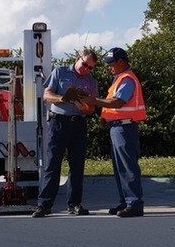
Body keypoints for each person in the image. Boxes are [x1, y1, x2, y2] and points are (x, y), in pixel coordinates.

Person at [31, 50, 99, 217]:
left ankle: (74, 204)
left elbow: (92, 108)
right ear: (78, 59)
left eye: (90, 68)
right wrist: (63, 98)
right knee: (52, 164)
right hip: (58, 122)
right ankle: (44, 205)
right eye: (84, 64)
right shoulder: (60, 72)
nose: (86, 69)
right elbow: (47, 95)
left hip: (78, 124)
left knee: (77, 166)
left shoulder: (91, 81)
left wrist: (84, 108)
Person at [95, 47, 146, 217]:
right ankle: (126, 202)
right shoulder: (119, 78)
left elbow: (117, 102)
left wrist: (93, 100)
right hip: (118, 127)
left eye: (111, 63)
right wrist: (106, 118)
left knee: (127, 166)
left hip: (124, 128)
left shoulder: (126, 79)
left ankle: (134, 204)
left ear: (122, 62)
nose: (109, 66)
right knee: (120, 167)